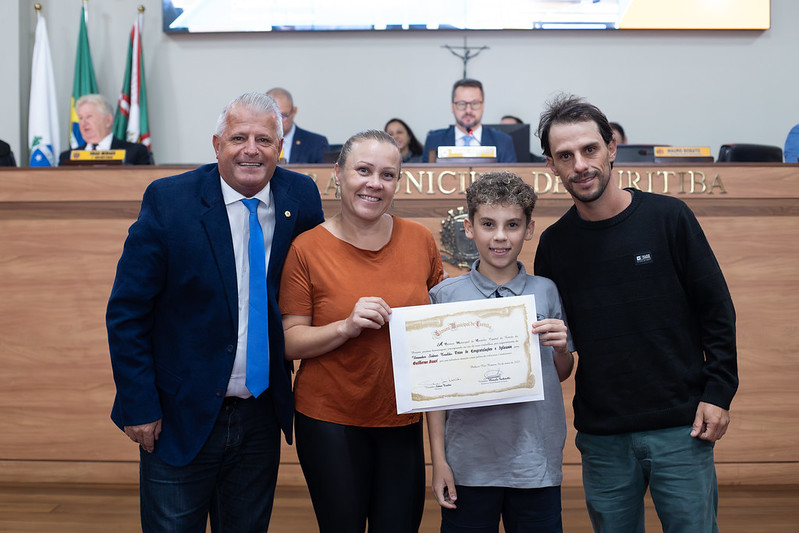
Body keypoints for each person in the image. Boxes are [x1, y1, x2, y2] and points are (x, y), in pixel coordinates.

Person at [106, 92, 324, 532]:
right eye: (239, 137)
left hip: (260, 416)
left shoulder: (300, 196)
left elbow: (317, 286)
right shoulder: (170, 200)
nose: (251, 150)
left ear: (280, 148)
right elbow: (127, 312)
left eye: (264, 139)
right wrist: (139, 404)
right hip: (177, 414)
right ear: (217, 144)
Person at [534, 94, 738, 533]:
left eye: (590, 149)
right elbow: (558, 347)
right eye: (565, 156)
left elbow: (717, 312)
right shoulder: (554, 246)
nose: (580, 165)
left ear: (611, 147)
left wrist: (719, 392)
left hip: (682, 427)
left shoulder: (670, 218)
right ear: (551, 165)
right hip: (603, 436)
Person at [279, 129, 444, 532]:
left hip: (402, 418)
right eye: (363, 170)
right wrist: (345, 327)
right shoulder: (306, 248)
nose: (375, 183)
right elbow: (289, 341)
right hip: (329, 420)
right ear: (338, 174)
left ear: (398, 182)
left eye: (387, 175)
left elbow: (438, 326)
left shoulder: (420, 240)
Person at [427, 171, 574, 533]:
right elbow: (435, 392)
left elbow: (560, 371)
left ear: (529, 229)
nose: (500, 237)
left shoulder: (546, 291)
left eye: (512, 225)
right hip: (467, 465)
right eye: (488, 224)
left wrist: (561, 349)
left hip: (534, 463)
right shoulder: (444, 296)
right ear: (469, 227)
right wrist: (439, 462)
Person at [422, 79, 517, 163]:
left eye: (474, 103)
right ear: (452, 107)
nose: (468, 110)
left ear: (483, 106)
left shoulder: (503, 141)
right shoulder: (434, 140)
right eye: (461, 104)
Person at [58, 94, 152, 165]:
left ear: (108, 120)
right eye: (81, 118)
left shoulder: (135, 153)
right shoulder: (67, 157)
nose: (83, 123)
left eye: (89, 117)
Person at [267, 87, 330, 164]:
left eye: (283, 115)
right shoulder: (255, 142)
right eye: (271, 115)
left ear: (294, 111)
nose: (277, 121)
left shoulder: (317, 144)